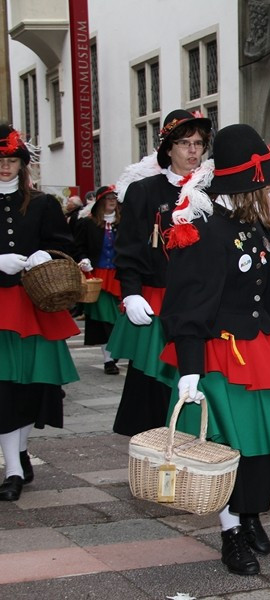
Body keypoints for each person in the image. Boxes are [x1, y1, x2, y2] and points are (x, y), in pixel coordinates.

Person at [160, 123, 270, 576]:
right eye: (265, 181)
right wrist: (190, 369)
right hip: (219, 355)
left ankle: (249, 516)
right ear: (247, 184)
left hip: (259, 351)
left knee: (261, 446)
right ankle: (231, 535)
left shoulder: (255, 226)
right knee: (226, 449)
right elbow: (187, 305)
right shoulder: (203, 230)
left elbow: (269, 299)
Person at [108, 109, 212, 436]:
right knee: (155, 381)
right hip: (159, 297)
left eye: (198, 143)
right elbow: (128, 249)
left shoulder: (214, 189)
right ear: (169, 148)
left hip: (204, 300)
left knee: (202, 380)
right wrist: (131, 292)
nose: (193, 150)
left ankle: (197, 453)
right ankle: (154, 455)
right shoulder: (146, 191)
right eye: (184, 143)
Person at [0, 123, 79, 502]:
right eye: (0, 160)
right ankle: (12, 467)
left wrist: (43, 253)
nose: (5, 167)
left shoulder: (44, 203)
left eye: (12, 160)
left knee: (31, 387)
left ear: (22, 163)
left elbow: (62, 242)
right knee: (3, 390)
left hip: (34, 307)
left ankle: (19, 452)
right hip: (1, 310)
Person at [74, 185, 121, 374]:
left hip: (119, 277)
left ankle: (116, 349)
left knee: (119, 318)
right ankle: (109, 359)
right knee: (103, 319)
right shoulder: (88, 223)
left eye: (114, 198)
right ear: (100, 202)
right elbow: (78, 246)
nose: (112, 201)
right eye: (108, 198)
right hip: (97, 276)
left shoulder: (123, 223)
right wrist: (83, 259)